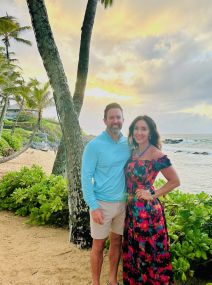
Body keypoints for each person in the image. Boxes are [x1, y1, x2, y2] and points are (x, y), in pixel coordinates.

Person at [122, 115, 180, 285]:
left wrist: (152, 194)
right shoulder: (132, 151)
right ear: (132, 131)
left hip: (147, 213)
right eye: (136, 128)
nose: (139, 132)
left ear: (150, 132)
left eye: (143, 129)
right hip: (131, 210)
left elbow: (175, 181)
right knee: (135, 251)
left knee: (149, 253)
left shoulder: (156, 153)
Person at [81, 103, 131, 285]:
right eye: (111, 117)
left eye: (118, 117)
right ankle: (96, 283)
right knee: (98, 246)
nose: (115, 121)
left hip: (122, 204)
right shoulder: (94, 146)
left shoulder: (128, 144)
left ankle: (112, 280)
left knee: (117, 242)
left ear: (123, 120)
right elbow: (85, 178)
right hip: (101, 204)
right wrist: (93, 207)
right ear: (105, 120)